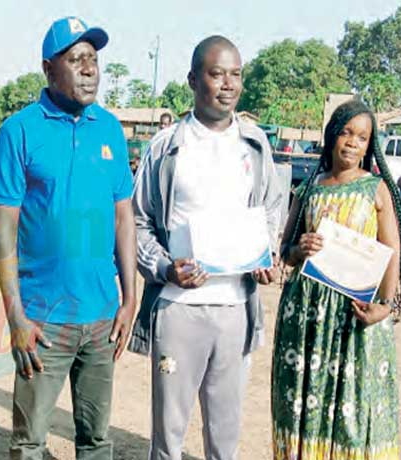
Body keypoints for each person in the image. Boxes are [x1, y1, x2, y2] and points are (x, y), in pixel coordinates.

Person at [130, 36, 283, 460]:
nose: (228, 84)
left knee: (225, 437)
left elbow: (271, 210)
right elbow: (138, 223)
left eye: (236, 74)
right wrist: (164, 268)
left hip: (236, 309)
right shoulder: (165, 147)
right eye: (217, 74)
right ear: (194, 80)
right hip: (179, 310)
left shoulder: (255, 145)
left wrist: (265, 253)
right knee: (168, 437)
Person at [0, 16, 137, 460]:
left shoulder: (110, 128)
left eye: (93, 60)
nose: (89, 69)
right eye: (76, 60)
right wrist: (15, 316)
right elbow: (3, 229)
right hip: (42, 323)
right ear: (48, 69)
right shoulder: (19, 131)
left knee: (96, 440)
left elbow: (123, 217)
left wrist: (129, 299)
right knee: (30, 441)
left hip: (101, 319)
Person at [272, 99, 401, 460]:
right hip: (306, 320)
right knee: (304, 402)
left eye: (362, 137)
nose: (352, 142)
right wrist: (299, 249)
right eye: (346, 132)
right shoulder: (310, 188)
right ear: (332, 136)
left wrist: (385, 305)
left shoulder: (376, 189)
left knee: (352, 406)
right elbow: (284, 250)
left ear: (369, 145)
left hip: (355, 317)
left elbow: (392, 246)